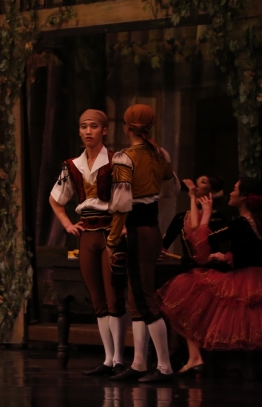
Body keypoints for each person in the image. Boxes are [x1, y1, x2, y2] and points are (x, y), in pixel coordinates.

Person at [42, 109, 126, 376]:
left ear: (104, 130)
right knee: (97, 299)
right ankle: (108, 358)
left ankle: (120, 359)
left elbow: (128, 198)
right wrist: (67, 224)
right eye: (83, 127)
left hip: (111, 231)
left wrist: (122, 226)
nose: (88, 131)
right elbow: (55, 199)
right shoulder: (72, 165)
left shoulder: (116, 161)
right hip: (88, 232)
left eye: (93, 126)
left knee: (114, 297)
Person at [157, 177, 262, 375]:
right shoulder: (255, 222)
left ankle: (195, 358)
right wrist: (230, 255)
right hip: (255, 277)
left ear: (244, 197)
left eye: (235, 189)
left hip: (243, 280)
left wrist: (206, 213)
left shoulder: (239, 223)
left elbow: (201, 246)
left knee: (188, 290)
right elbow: (252, 250)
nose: (231, 193)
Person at [106, 104, 174, 383]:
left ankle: (164, 366)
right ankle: (139, 362)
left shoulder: (125, 158)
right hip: (153, 230)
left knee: (144, 298)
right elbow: (168, 179)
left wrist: (112, 238)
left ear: (127, 127)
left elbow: (122, 204)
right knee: (137, 297)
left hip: (137, 232)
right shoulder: (160, 153)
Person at [161, 175, 229, 270]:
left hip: (212, 269)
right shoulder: (181, 217)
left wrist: (193, 197)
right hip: (188, 270)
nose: (197, 183)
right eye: (197, 180)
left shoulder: (218, 218)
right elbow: (164, 244)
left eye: (203, 182)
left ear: (213, 192)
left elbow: (196, 230)